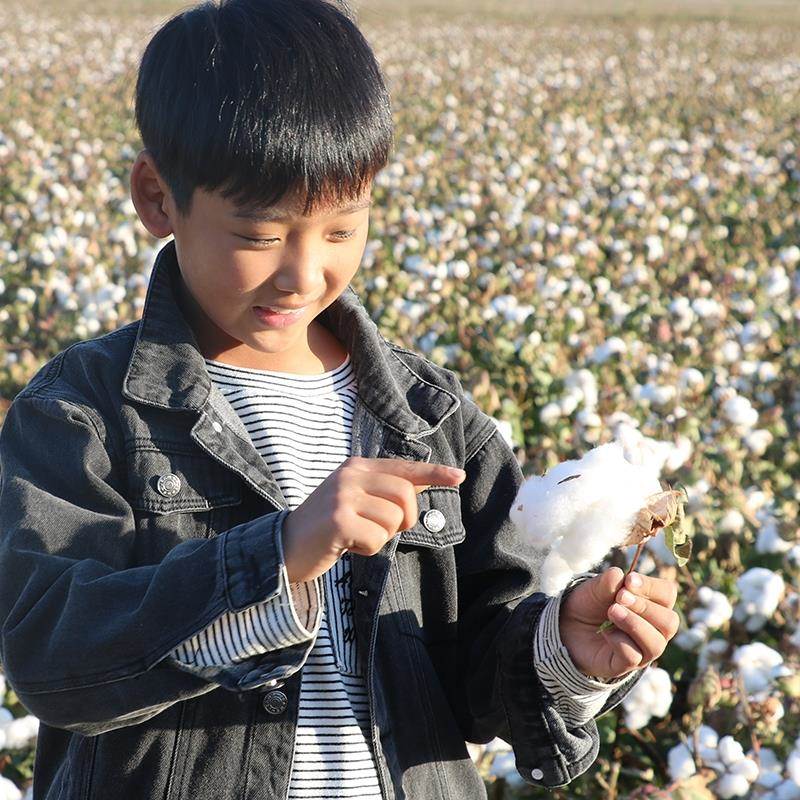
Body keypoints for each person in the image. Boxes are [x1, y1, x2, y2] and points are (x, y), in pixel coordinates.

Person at [0, 0, 681, 798]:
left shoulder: (430, 417)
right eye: (259, 236)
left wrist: (564, 652)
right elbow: (54, 660)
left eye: (341, 229)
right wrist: (279, 553)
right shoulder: (82, 412)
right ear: (157, 198)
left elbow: (468, 675)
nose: (303, 273)